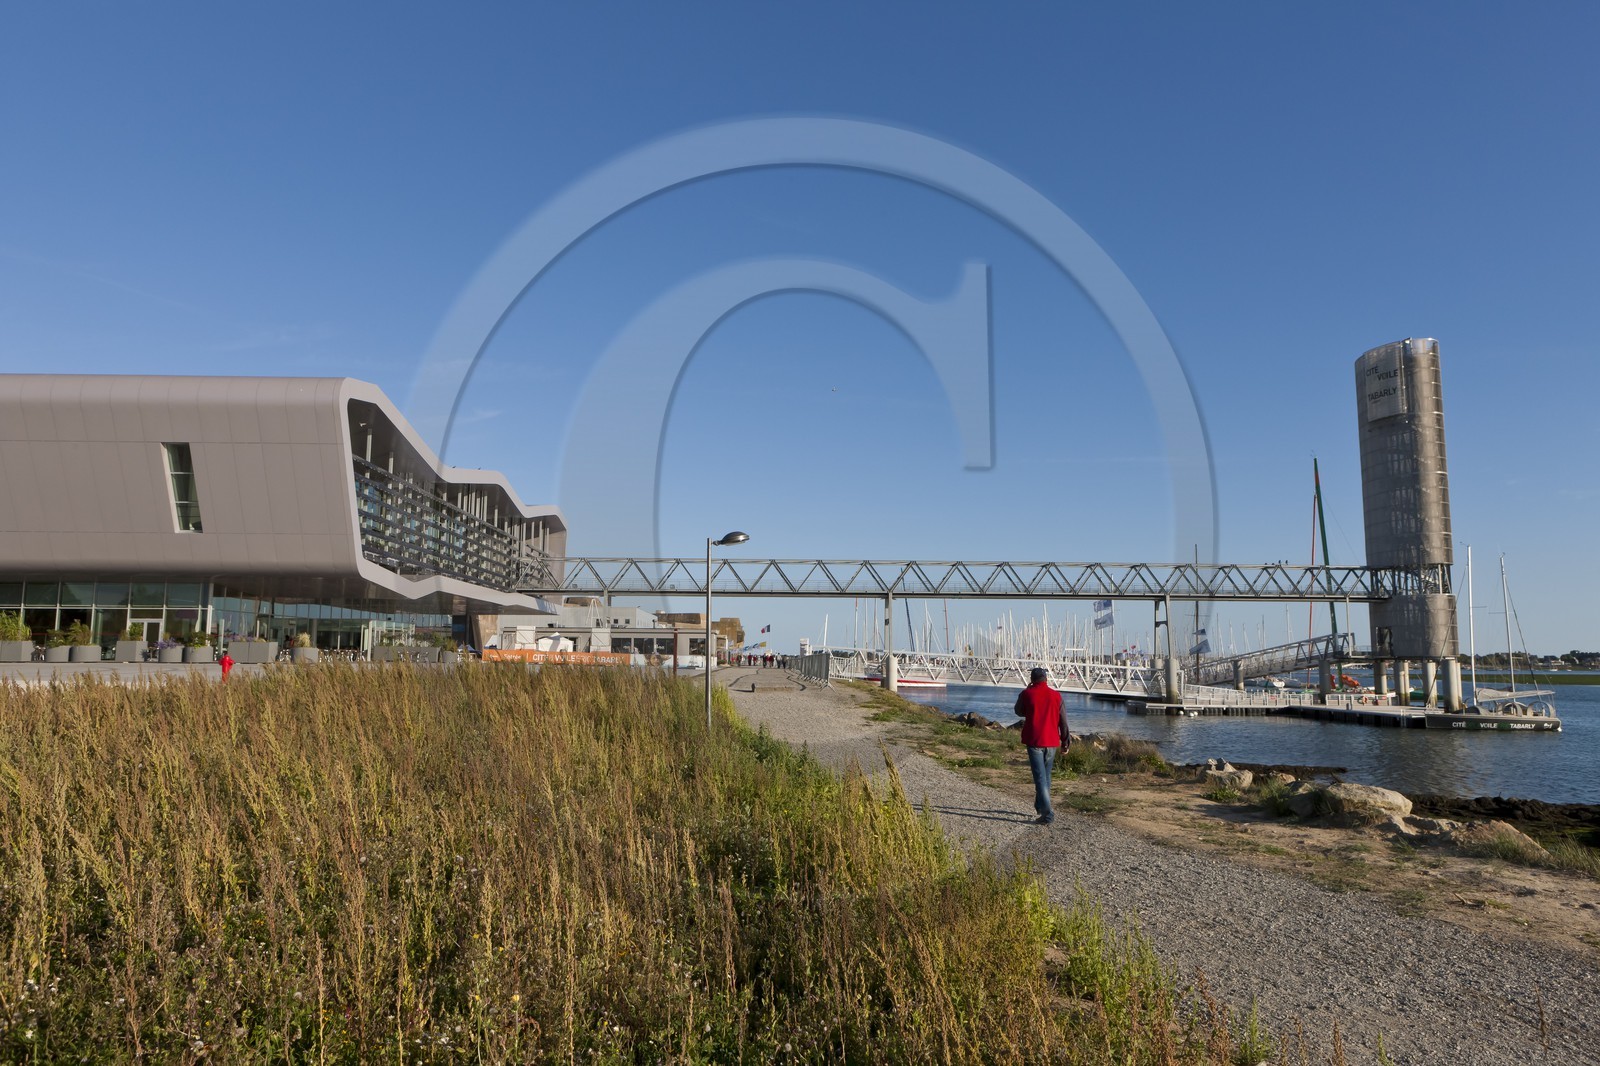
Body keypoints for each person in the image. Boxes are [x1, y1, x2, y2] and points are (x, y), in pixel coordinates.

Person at [1015, 666, 1067, 824]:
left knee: (1040, 778)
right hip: (1052, 741)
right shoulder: (1056, 696)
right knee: (1046, 776)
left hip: (1034, 740)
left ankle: (1048, 814)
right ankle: (1040, 806)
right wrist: (1065, 741)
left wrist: (1026, 693)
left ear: (1032, 680)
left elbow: (1018, 711)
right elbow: (1063, 721)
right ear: (1046, 679)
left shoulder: (1027, 694)